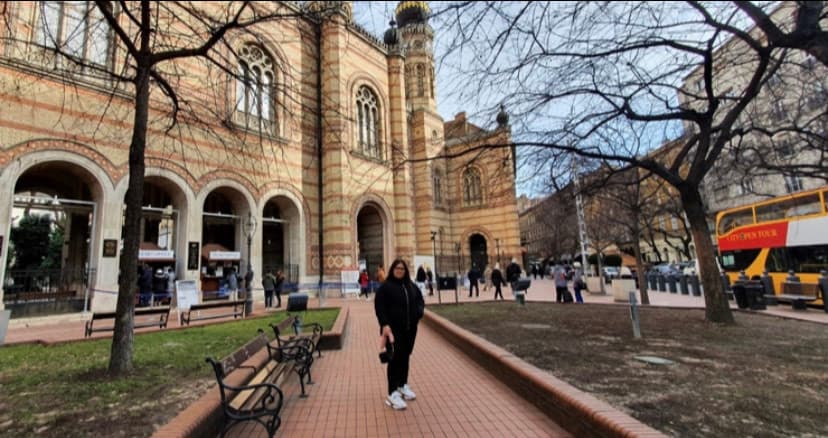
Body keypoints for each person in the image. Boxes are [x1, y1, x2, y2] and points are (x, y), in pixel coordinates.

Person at [374, 258, 425, 411]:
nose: (399, 271)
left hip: (409, 330)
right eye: (397, 268)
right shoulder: (385, 287)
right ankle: (392, 393)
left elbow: (420, 301)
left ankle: (402, 385)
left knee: (405, 357)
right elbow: (380, 307)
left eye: (402, 269)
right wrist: (384, 324)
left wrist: (418, 313)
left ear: (405, 271)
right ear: (392, 270)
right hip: (392, 332)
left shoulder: (411, 286)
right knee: (394, 359)